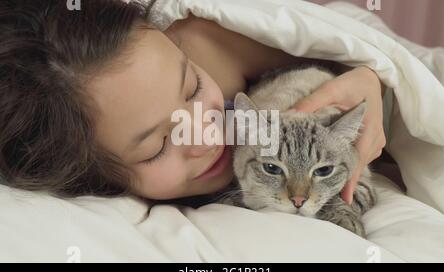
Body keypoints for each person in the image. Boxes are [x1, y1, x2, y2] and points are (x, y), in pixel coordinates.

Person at [0, 0, 385, 204]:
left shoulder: (204, 45)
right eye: (159, 145)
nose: (208, 135)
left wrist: (370, 78)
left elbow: (356, 50)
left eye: (192, 88)